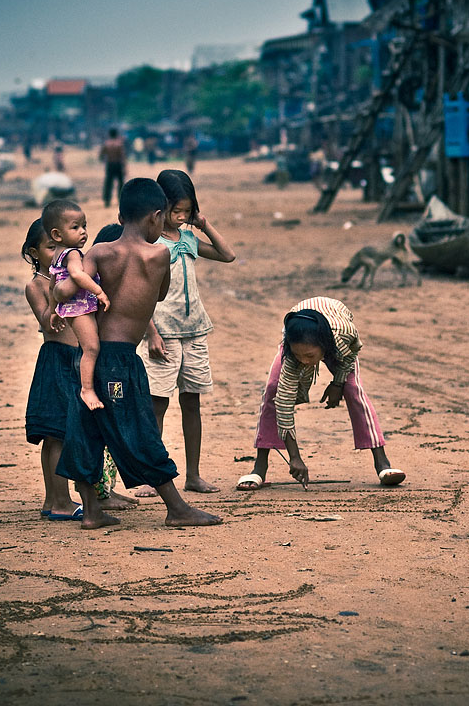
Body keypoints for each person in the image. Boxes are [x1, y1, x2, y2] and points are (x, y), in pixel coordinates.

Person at [56, 178, 222, 529]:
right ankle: (176, 508)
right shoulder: (160, 254)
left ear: (120, 214)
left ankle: (91, 512)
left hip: (89, 355)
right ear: (156, 217)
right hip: (120, 360)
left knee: (86, 429)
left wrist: (66, 280)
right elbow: (158, 297)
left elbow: (69, 290)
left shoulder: (100, 252)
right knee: (138, 428)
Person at [22, 219, 136, 520]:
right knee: (55, 433)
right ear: (35, 252)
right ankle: (59, 500)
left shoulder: (72, 275)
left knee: (61, 434)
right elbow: (47, 320)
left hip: (73, 358)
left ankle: (55, 499)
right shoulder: (36, 285)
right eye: (50, 248)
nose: (57, 252)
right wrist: (55, 289)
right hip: (57, 358)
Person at [237, 296, 405, 491]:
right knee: (273, 389)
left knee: (353, 389)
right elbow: (284, 402)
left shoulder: (343, 337)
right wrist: (295, 457)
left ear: (324, 348)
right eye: (299, 356)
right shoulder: (294, 354)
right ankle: (260, 467)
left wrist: (337, 383)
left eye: (310, 356)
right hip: (301, 332)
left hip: (337, 335)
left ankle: (382, 463)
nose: (305, 362)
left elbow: (351, 354)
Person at [135, 170, 235, 497]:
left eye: (186, 211)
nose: (180, 217)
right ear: (159, 208)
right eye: (175, 211)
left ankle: (193, 474)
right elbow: (140, 294)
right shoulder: (150, 244)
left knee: (192, 403)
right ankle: (153, 476)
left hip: (194, 332)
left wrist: (203, 224)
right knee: (157, 405)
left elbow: (227, 254)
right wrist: (150, 333)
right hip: (162, 332)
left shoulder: (189, 239)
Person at [42, 199, 110, 412]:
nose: (83, 232)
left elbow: (53, 284)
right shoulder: (72, 254)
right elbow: (77, 275)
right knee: (92, 347)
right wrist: (98, 291)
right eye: (75, 227)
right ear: (56, 235)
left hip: (71, 308)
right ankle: (87, 389)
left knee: (86, 347)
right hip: (79, 308)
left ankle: (86, 383)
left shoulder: (57, 255)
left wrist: (54, 310)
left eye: (84, 226)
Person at [99, 128, 127, 208]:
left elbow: (101, 155)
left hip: (110, 164)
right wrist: (125, 167)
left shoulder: (106, 144)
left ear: (109, 134)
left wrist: (105, 160)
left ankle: (107, 200)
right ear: (117, 134)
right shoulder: (119, 144)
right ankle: (120, 199)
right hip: (118, 164)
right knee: (120, 183)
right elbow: (122, 157)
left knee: (108, 183)